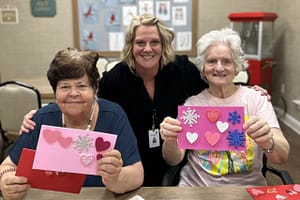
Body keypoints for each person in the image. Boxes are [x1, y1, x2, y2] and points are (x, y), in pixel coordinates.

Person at [18, 14, 270, 186]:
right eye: (140, 42)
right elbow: (87, 99)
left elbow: (218, 82)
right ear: (131, 45)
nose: (147, 49)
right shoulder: (116, 78)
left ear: (163, 45)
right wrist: (44, 113)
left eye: (154, 42)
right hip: (129, 161)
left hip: (177, 165)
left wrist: (249, 89)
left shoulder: (182, 70)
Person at [0, 48, 144, 200]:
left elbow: (137, 173)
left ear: (95, 89)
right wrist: (5, 180)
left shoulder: (113, 116)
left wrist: (116, 178)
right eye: (65, 87)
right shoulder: (42, 119)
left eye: (82, 86)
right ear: (55, 92)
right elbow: (7, 166)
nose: (73, 93)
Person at [159, 28, 290, 187]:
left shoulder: (256, 99)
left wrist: (268, 141)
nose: (219, 68)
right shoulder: (193, 105)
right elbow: (173, 159)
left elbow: (281, 156)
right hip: (196, 191)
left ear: (237, 67)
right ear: (203, 67)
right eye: (212, 61)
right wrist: (170, 140)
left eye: (226, 61)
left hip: (246, 191)